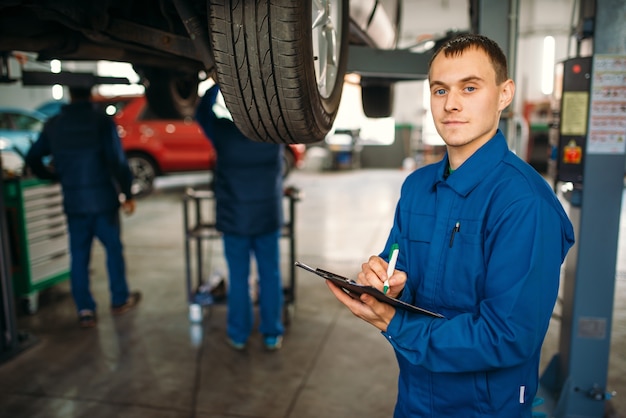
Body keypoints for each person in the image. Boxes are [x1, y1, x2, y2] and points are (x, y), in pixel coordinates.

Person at [326, 34, 575, 417]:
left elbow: (508, 337)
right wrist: (386, 282)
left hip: (486, 409)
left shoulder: (524, 204)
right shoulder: (417, 187)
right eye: (440, 90)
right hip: (413, 399)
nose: (451, 104)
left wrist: (397, 324)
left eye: (470, 87)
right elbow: (399, 264)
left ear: (504, 94)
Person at [25, 85, 140, 329]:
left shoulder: (55, 124)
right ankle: (119, 300)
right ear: (90, 93)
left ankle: (85, 310)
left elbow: (33, 157)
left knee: (79, 256)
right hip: (103, 202)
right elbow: (118, 161)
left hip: (74, 203)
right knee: (113, 251)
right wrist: (127, 192)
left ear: (70, 93)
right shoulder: (100, 121)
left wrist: (51, 176)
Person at [195, 83, 285, 351]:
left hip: (235, 220)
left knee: (238, 277)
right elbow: (289, 109)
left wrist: (218, 82)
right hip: (267, 218)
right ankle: (271, 333)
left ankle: (238, 334)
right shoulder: (274, 133)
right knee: (270, 276)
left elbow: (201, 113)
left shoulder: (224, 132)